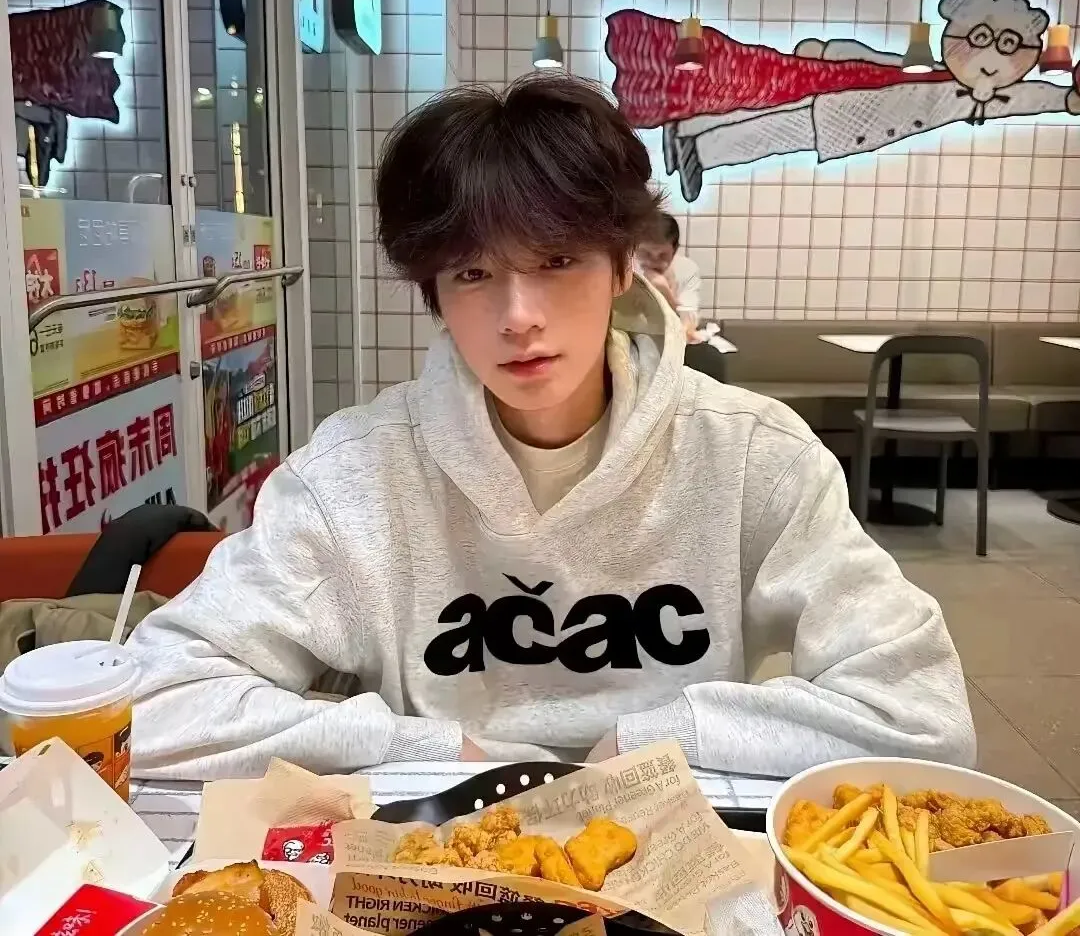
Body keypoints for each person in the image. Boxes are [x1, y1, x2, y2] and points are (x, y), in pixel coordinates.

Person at [125, 74, 974, 781]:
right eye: (472, 273)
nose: (518, 316)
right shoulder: (356, 477)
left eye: (558, 260)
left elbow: (922, 714)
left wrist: (657, 739)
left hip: (685, 845)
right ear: (434, 293)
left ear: (624, 265)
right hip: (436, 850)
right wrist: (427, 750)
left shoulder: (752, 456)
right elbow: (155, 700)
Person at [635, 212, 728, 382]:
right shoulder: (625, 268)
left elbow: (688, 322)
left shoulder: (686, 269)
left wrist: (666, 293)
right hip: (631, 340)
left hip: (672, 342)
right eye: (646, 254)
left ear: (675, 250)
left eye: (663, 256)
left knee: (709, 358)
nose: (653, 262)